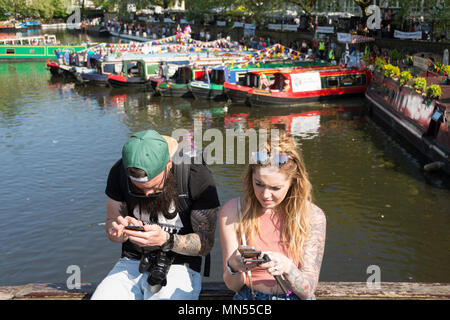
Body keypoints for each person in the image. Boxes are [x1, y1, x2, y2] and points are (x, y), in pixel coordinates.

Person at [91, 130, 220, 300]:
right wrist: (118, 233)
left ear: (168, 165)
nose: (147, 194)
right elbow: (111, 224)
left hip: (181, 263)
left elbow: (205, 244)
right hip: (133, 260)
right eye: (138, 188)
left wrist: (167, 240)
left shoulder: (195, 176)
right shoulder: (119, 172)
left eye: (155, 187)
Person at [219, 130, 326, 300]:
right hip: (250, 295)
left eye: (275, 188)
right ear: (250, 177)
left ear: (293, 182)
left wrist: (288, 268)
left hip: (293, 295)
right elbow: (234, 285)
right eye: (259, 184)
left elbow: (307, 290)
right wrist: (233, 265)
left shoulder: (313, 216)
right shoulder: (232, 211)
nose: (265, 195)